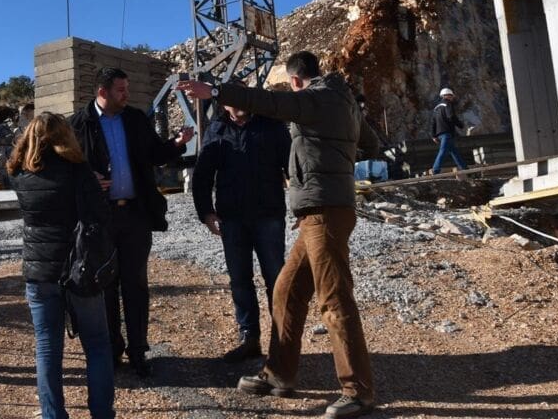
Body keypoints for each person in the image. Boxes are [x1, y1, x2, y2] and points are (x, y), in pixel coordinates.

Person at [177, 51, 380, 418]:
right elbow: (371, 143)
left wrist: (217, 91)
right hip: (319, 211)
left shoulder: (315, 99)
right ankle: (279, 373)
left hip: (324, 210)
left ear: (296, 80)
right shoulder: (344, 101)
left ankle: (358, 391)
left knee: (334, 300)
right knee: (286, 291)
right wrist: (334, 156)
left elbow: (271, 103)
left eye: (290, 85)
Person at [69, 67, 194, 378]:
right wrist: (86, 178)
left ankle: (138, 351)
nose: (127, 94)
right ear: (103, 92)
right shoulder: (78, 124)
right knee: (105, 285)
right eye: (121, 90)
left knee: (136, 285)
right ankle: (112, 351)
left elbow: (154, 154)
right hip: (100, 220)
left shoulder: (135, 119)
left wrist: (177, 143)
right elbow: (66, 168)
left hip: (135, 216)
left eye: (126, 88)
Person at [10, 112, 115, 419]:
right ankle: (101, 414)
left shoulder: (18, 173)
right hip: (78, 267)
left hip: (39, 270)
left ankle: (53, 415)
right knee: (97, 344)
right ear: (65, 136)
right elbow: (99, 214)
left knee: (46, 348)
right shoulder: (78, 170)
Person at [192, 103, 291, 362]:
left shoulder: (271, 125)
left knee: (276, 278)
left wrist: (305, 207)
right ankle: (249, 338)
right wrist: (206, 212)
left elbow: (293, 167)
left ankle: (283, 340)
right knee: (239, 280)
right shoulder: (217, 129)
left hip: (268, 215)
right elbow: (202, 175)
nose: (239, 104)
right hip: (232, 218)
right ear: (224, 104)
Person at [430, 87, 466, 174]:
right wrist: (460, 125)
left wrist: (433, 135)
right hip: (447, 133)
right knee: (443, 151)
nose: (452, 98)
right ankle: (435, 169)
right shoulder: (448, 104)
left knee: (454, 152)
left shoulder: (436, 108)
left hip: (440, 134)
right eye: (451, 96)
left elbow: (433, 122)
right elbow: (451, 116)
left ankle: (464, 168)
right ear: (447, 96)